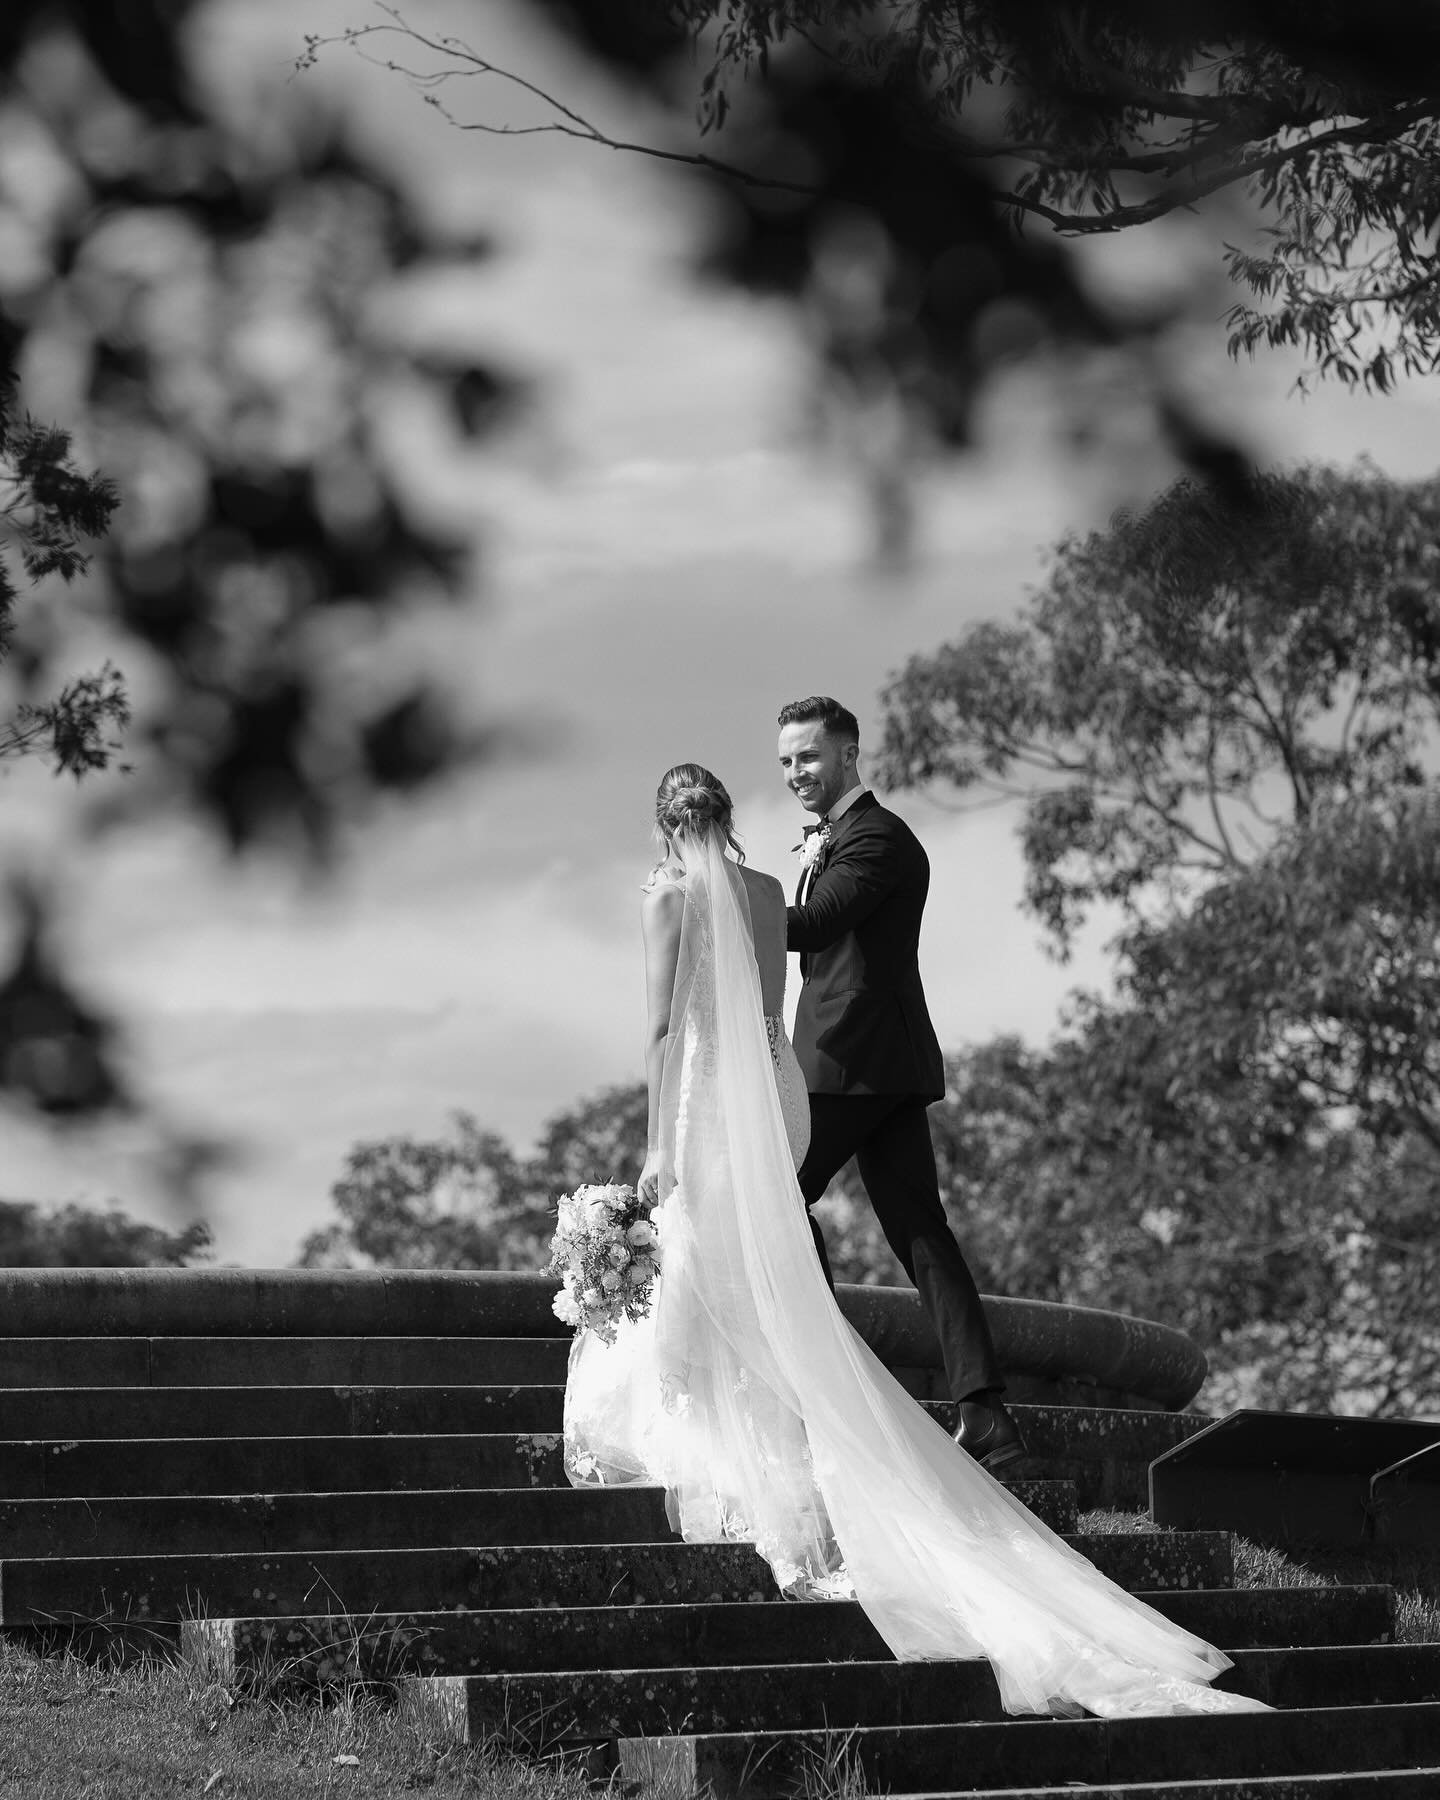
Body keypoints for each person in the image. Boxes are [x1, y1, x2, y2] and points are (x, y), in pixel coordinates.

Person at [562, 762, 1270, 1720]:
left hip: (702, 1099)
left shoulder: (667, 896)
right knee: (760, 1271)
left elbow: (659, 1032)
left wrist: (655, 1148)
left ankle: (729, 1446)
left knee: (704, 1260)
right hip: (774, 1091)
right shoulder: (769, 890)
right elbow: (771, 1018)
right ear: (730, 818)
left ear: (663, 829)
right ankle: (785, 1433)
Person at [778, 695, 1024, 1470]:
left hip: (853, 1064)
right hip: (878, 1067)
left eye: (808, 757)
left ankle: (829, 1381)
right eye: (785, 761)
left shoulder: (878, 838)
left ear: (849, 754)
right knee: (922, 1235)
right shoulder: (846, 837)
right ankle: (986, 1416)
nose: (795, 773)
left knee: (771, 1197)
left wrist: (715, 888)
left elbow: (814, 928)